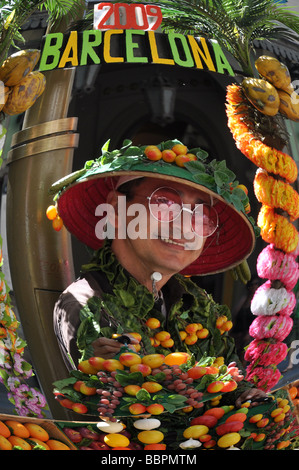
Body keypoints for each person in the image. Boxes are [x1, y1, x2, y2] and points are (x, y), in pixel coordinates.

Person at [52, 138, 267, 407]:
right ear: (116, 208)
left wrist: (247, 397)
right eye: (164, 203)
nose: (185, 227)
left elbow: (230, 378)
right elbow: (132, 407)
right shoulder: (87, 304)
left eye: (201, 215)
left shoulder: (198, 304)